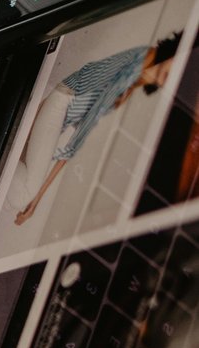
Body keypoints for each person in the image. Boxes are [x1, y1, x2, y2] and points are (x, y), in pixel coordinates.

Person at [12, 34, 180, 225]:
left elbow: (78, 134)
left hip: (58, 114)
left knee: (16, 195)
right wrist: (36, 200)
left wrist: (37, 200)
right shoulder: (137, 63)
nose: (173, 78)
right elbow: (79, 137)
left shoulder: (132, 80)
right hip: (59, 106)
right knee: (22, 195)